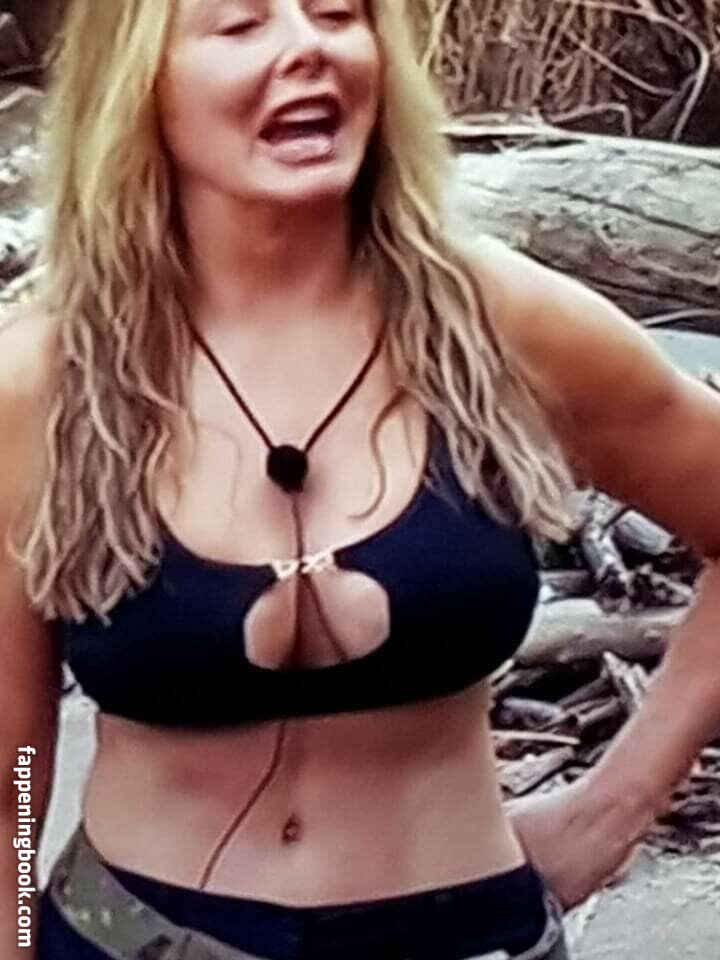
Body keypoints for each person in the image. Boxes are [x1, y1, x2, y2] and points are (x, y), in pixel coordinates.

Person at [1, 1, 720, 958]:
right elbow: (10, 767)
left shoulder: (500, 326)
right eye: (242, 24)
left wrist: (618, 802)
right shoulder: (44, 382)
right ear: (137, 84)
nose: (306, 46)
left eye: (338, 13)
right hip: (129, 937)